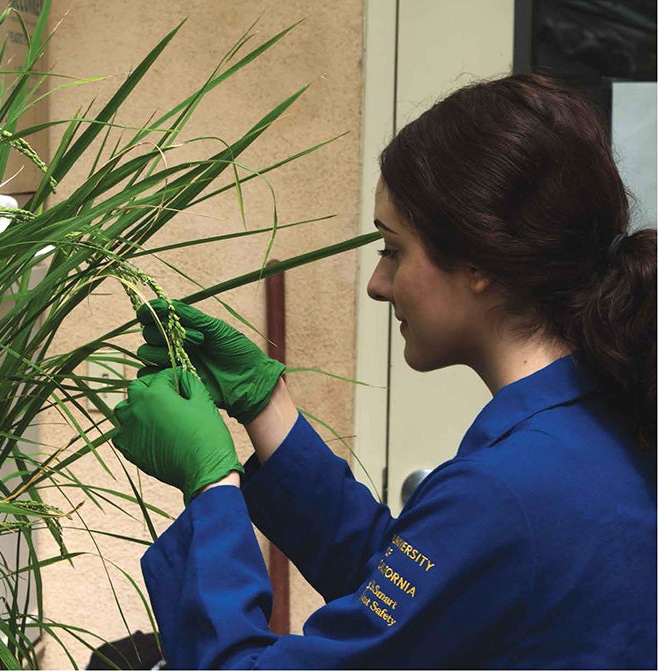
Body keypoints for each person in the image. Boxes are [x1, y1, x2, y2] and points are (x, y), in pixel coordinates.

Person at [111, 72, 657, 668]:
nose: (378, 285)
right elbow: (412, 591)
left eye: (393, 251)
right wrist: (266, 405)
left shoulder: (510, 491)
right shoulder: (589, 426)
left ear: (477, 261)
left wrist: (210, 484)